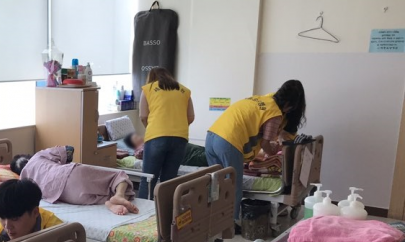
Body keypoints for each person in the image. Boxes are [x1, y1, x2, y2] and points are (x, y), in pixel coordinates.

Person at [205, 79, 306, 224]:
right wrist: (273, 151)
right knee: (233, 185)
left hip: (211, 135)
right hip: (228, 142)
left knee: (217, 184)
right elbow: (265, 144)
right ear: (289, 105)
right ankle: (231, 223)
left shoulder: (265, 99)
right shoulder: (275, 114)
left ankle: (213, 220)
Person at [13, 146, 139, 215]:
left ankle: (109, 202)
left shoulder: (23, 179)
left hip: (68, 196)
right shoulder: (38, 156)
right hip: (70, 173)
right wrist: (63, 161)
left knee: (103, 193)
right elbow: (68, 150)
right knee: (118, 176)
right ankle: (119, 196)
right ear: (28, 157)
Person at [138, 67, 195, 199]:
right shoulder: (185, 91)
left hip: (156, 136)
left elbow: (143, 116)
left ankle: (145, 211)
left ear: (151, 77)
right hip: (180, 138)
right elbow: (191, 117)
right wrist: (178, 127)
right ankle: (166, 210)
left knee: (148, 179)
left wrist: (151, 128)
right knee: (169, 181)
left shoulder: (148, 89)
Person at [124, 133, 208, 168]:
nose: (139, 137)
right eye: (136, 137)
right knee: (207, 157)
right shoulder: (139, 152)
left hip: (185, 146)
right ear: (133, 144)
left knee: (207, 151)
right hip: (183, 154)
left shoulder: (148, 141)